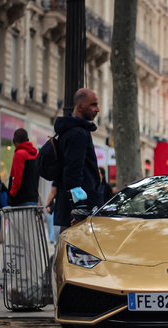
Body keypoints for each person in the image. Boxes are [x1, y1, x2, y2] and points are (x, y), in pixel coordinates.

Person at [53, 88, 103, 231]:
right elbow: (73, 170)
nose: (97, 109)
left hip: (74, 208)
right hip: (79, 212)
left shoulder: (70, 130)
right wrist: (78, 210)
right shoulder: (78, 133)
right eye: (93, 105)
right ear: (80, 106)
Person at [8, 128, 39, 207]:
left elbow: (17, 179)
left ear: (14, 140)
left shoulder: (19, 154)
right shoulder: (36, 155)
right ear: (28, 140)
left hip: (21, 202)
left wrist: (11, 195)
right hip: (34, 200)